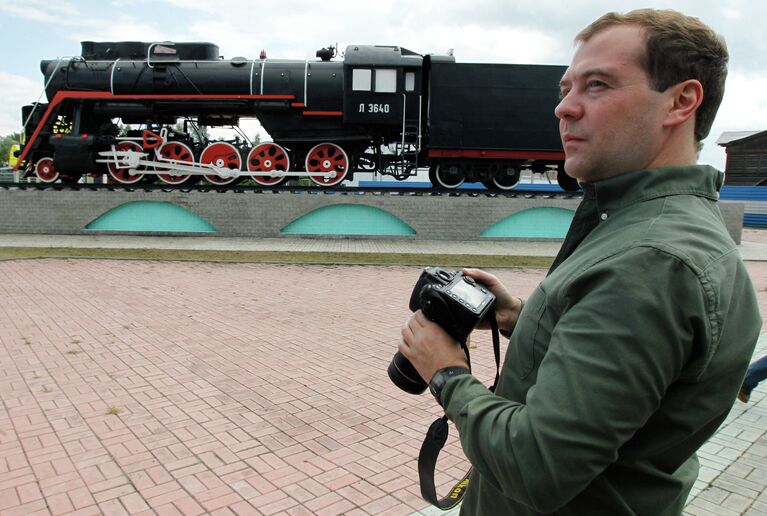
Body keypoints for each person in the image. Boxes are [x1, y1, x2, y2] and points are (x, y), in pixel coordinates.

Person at [399, 8, 763, 515]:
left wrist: (447, 375)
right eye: (565, 89)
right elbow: (628, 373)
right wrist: (516, 316)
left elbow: (536, 467)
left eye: (596, 85)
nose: (564, 109)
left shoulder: (650, 261)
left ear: (681, 101)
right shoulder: (653, 229)